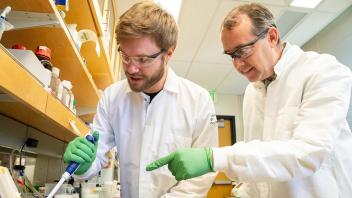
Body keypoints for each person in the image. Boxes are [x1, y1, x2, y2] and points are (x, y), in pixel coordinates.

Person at [146, 3, 352, 197]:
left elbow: (307, 154)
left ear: (272, 37)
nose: (237, 64)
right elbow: (261, 166)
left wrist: (214, 158)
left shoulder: (323, 71)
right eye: (231, 55)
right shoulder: (252, 92)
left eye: (242, 51)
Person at [63, 1, 218, 197]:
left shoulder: (198, 101)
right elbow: (97, 155)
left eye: (143, 59)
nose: (130, 68)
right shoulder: (112, 97)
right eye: (125, 56)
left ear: (169, 53)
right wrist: (82, 165)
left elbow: (201, 176)